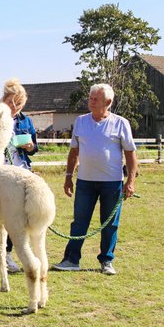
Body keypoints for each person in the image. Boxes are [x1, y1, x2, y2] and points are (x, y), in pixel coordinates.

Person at [53, 83, 137, 276]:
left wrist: (130, 181)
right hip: (85, 182)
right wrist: (68, 177)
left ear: (107, 102)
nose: (90, 101)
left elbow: (131, 154)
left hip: (112, 182)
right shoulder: (81, 121)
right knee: (79, 222)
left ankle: (106, 261)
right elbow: (74, 152)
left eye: (95, 99)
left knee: (110, 224)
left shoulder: (120, 123)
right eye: (90, 98)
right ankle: (71, 259)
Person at [0, 78, 39, 273]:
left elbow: (34, 148)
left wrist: (30, 146)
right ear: (4, 99)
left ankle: (7, 255)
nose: (15, 107)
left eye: (20, 103)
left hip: (20, 172)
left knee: (15, 217)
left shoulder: (26, 121)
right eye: (12, 102)